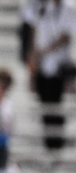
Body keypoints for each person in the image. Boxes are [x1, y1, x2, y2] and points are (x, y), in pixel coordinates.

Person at [27, 0, 76, 149]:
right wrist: (32, 69)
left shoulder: (69, 8)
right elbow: (36, 35)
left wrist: (45, 51)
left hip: (59, 66)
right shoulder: (43, 8)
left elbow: (66, 36)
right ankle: (49, 145)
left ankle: (57, 145)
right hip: (43, 68)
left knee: (56, 108)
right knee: (45, 108)